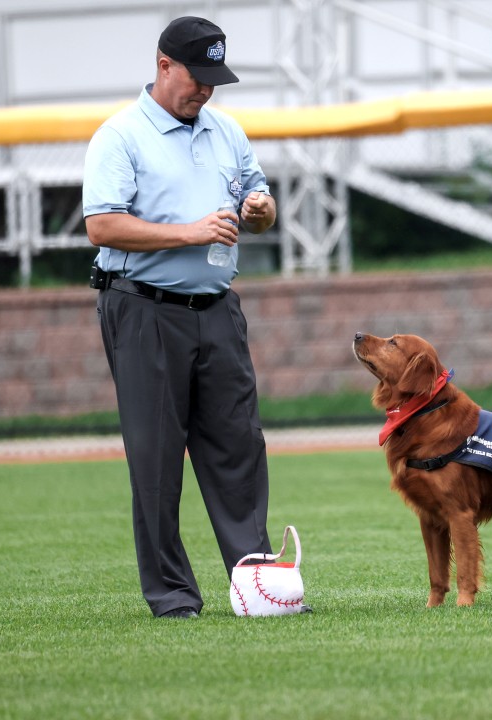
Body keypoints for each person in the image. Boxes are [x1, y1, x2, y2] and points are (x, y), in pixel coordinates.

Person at [82, 16, 281, 619]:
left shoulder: (226, 131)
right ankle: (172, 597)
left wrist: (261, 208)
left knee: (238, 447)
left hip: (218, 310)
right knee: (157, 456)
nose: (207, 91)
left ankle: (257, 589)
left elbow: (261, 203)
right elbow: (102, 225)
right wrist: (189, 232)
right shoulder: (120, 136)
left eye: (216, 80)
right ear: (164, 65)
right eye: (199, 77)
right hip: (144, 309)